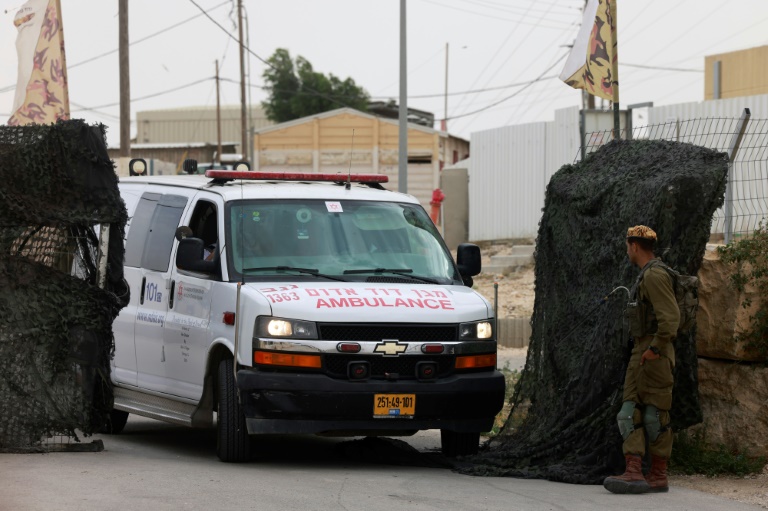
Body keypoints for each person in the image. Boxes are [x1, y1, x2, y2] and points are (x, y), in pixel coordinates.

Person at [603, 225, 680, 495]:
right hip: (643, 351)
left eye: (627, 245)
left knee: (654, 415)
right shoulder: (649, 274)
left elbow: (670, 320)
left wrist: (655, 349)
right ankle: (634, 470)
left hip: (654, 353)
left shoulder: (655, 276)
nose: (627, 250)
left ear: (634, 246)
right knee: (629, 412)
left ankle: (658, 474)